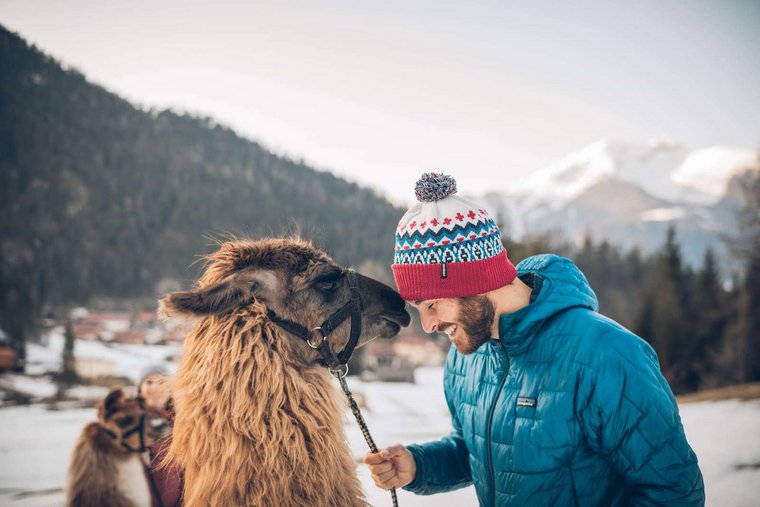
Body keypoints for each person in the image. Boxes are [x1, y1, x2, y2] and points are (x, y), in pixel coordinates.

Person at [364, 173, 704, 506]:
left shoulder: (608, 354)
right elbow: (480, 450)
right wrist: (419, 466)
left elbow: (673, 492)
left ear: (475, 280)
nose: (427, 325)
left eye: (432, 304)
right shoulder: (466, 356)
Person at [137, 365, 183, 507]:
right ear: (139, 389)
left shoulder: (183, 424)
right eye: (149, 382)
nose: (155, 387)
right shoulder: (127, 424)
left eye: (161, 382)